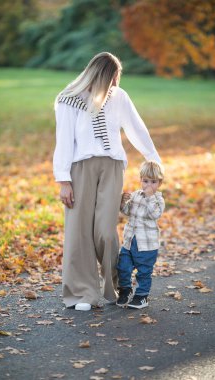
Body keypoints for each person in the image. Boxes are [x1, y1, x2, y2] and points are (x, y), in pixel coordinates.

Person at [53, 52, 161, 311]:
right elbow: (64, 140)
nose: (115, 83)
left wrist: (154, 160)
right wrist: (63, 179)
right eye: (113, 77)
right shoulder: (68, 99)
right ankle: (82, 294)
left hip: (112, 167)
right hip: (80, 168)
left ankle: (117, 285)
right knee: (79, 231)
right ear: (102, 75)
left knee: (105, 231)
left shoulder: (118, 97)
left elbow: (136, 128)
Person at [117, 160, 165, 309]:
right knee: (123, 266)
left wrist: (150, 197)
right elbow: (127, 212)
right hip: (130, 241)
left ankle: (141, 297)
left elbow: (155, 214)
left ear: (159, 183)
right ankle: (125, 290)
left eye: (153, 182)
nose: (148, 185)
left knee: (144, 272)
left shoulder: (158, 199)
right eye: (145, 181)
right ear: (140, 180)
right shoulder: (136, 195)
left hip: (147, 245)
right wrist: (122, 203)